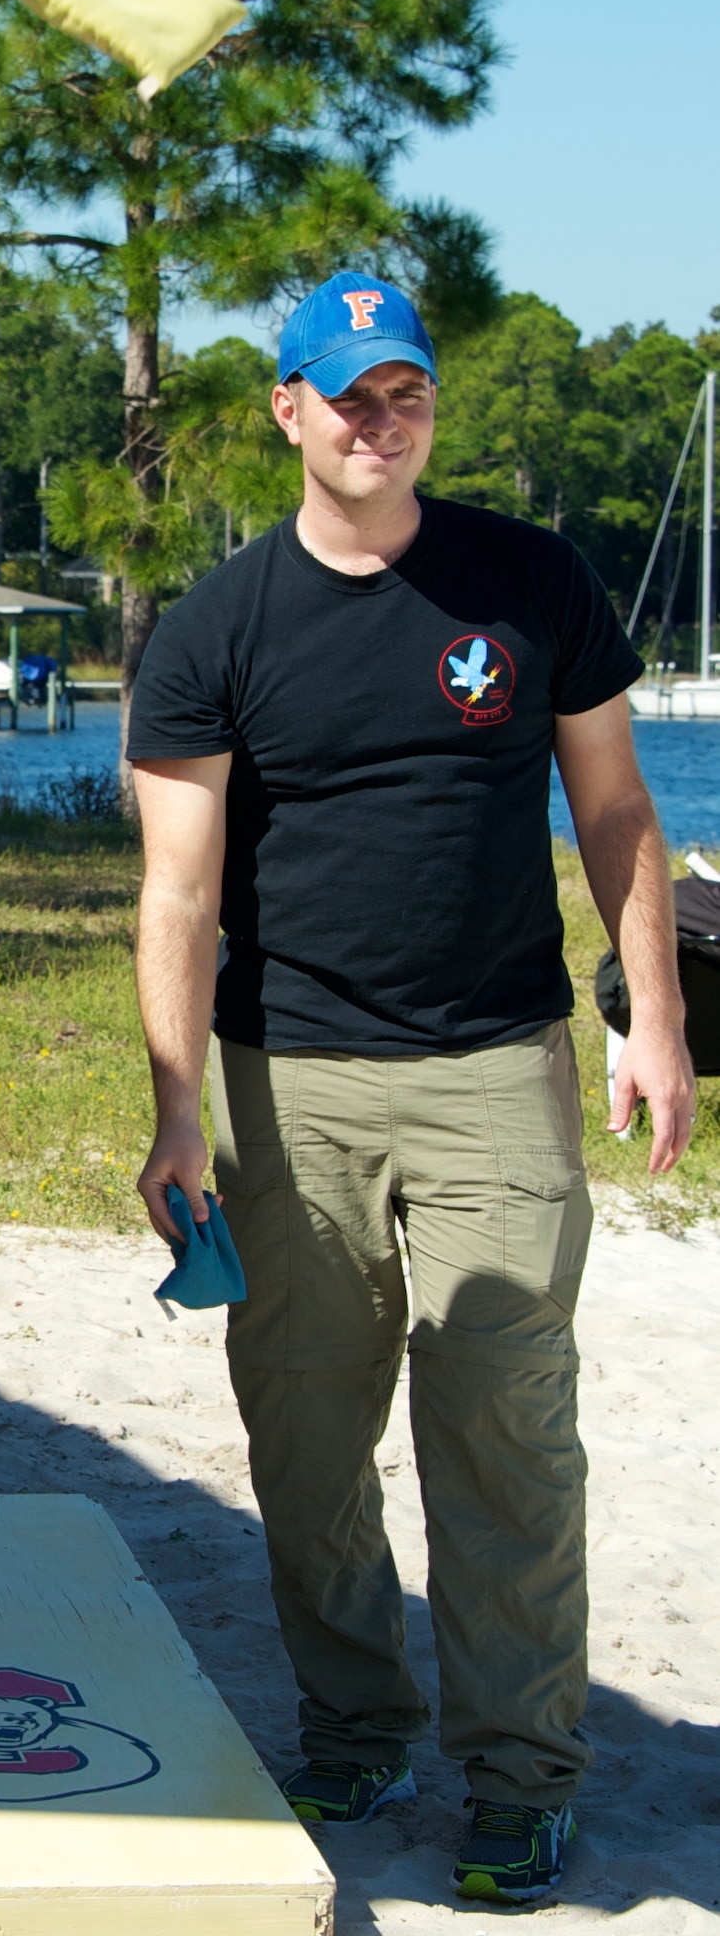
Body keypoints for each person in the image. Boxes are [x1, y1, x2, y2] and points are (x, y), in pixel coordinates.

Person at [128, 271, 693, 1907]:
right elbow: (176, 893)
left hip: (497, 1071)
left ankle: (523, 1774)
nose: (382, 423)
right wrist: (179, 1104)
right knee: (306, 1437)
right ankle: (356, 1722)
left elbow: (617, 813)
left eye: (409, 395)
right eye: (351, 396)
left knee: (505, 1428)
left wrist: (651, 1016)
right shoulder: (216, 630)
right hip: (284, 1081)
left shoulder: (530, 583)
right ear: (290, 411)